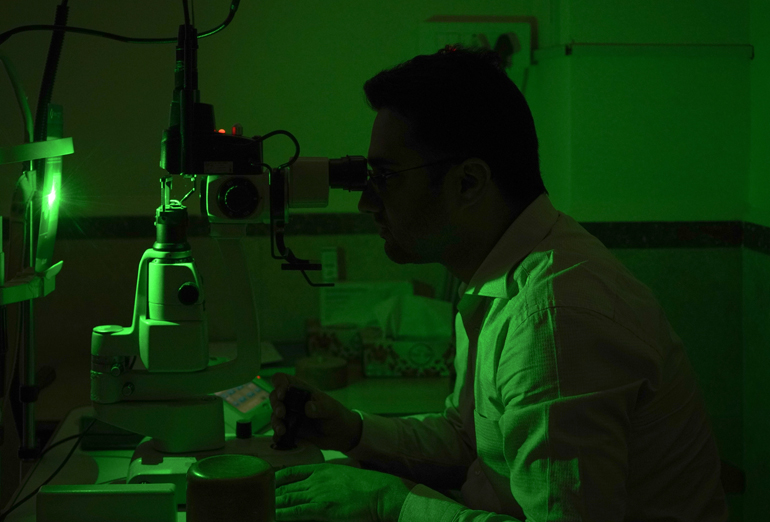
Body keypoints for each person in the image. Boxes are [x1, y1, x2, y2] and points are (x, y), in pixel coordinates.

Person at [269, 44, 729, 521]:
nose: (366, 202)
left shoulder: (553, 316)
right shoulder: (498, 277)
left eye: (385, 176)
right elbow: (470, 440)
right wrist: (352, 431)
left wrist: (388, 502)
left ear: (469, 183)